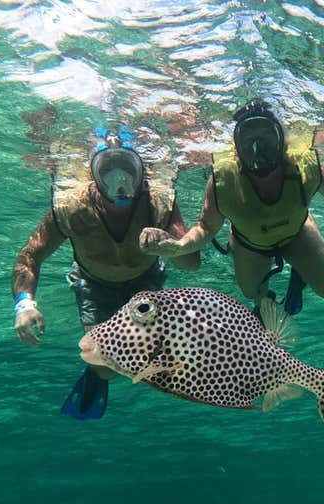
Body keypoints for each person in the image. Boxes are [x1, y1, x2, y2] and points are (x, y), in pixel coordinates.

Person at [138, 99, 324, 314]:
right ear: (237, 147)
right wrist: (178, 246)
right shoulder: (223, 180)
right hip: (249, 243)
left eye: (266, 138)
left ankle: (300, 272)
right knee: (252, 293)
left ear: (281, 142)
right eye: (248, 139)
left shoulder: (303, 168)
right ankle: (261, 272)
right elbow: (206, 227)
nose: (258, 148)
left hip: (297, 232)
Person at [12, 128, 200, 420]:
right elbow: (30, 256)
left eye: (128, 170)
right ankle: (96, 375)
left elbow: (191, 263)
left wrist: (172, 246)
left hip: (145, 280)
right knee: (106, 369)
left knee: (153, 358)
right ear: (94, 177)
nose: (119, 181)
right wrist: (24, 305)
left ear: (141, 174)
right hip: (94, 284)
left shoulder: (158, 204)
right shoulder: (72, 208)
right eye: (108, 171)